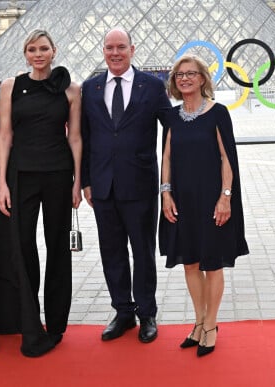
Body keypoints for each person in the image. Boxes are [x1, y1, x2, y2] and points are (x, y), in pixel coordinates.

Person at [0, 29, 82, 357]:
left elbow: (75, 138)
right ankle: (30, 324)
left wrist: (77, 181)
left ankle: (56, 324)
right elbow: (4, 136)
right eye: (32, 49)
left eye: (44, 48)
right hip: (20, 177)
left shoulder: (71, 90)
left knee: (58, 248)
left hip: (58, 174)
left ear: (54, 51)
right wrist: (1, 183)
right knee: (23, 250)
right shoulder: (10, 87)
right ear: (25, 53)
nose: (38, 54)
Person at [81, 27, 171, 344]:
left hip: (141, 184)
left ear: (133, 49)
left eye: (121, 47)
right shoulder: (89, 88)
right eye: (109, 48)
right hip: (103, 187)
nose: (115, 53)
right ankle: (123, 312)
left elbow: (171, 131)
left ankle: (147, 313)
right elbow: (85, 138)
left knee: (143, 253)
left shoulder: (153, 86)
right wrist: (86, 182)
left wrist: (171, 182)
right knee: (112, 253)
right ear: (103, 51)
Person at [159, 54, 249, 357]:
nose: (184, 78)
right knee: (190, 262)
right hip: (182, 199)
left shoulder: (218, 113)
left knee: (212, 263)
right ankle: (198, 321)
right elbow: (167, 157)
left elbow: (227, 158)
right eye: (179, 74)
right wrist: (165, 194)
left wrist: (226, 197)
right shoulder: (171, 117)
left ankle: (211, 325)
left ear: (202, 79)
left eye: (190, 74)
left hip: (211, 198)